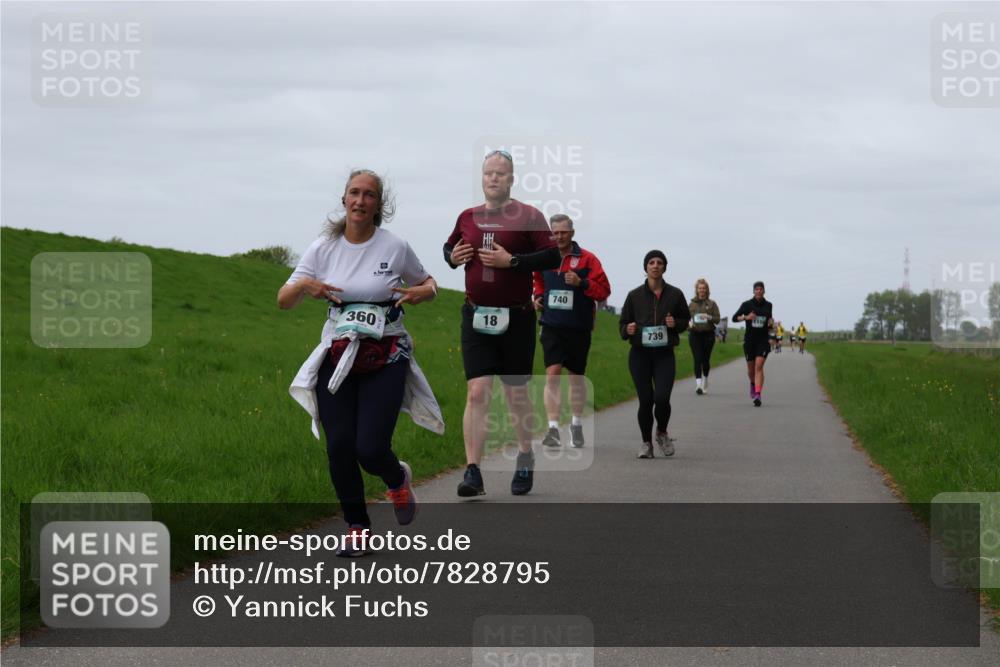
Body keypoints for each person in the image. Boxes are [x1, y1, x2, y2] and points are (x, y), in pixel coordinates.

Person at [282, 169, 443, 557]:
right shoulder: (323, 247)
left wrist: (423, 292)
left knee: (370, 448)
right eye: (354, 193)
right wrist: (306, 285)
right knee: (339, 446)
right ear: (343, 200)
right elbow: (283, 299)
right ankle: (358, 527)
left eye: (369, 195)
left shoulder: (395, 246)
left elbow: (430, 284)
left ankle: (396, 477)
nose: (360, 200)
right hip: (337, 355)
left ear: (378, 205)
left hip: (387, 354)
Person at [443, 150, 561, 496]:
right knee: (477, 391)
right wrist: (452, 257)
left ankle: (525, 456)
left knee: (516, 394)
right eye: (488, 173)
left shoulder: (529, 216)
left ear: (511, 179)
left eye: (500, 173)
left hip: (518, 317)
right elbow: (449, 248)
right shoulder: (467, 216)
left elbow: (552, 256)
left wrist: (514, 262)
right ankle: (473, 471)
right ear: (482, 178)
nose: (493, 178)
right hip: (476, 315)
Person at [532, 214, 611, 448]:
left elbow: (604, 290)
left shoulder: (588, 259)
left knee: (576, 378)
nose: (559, 237)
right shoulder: (544, 258)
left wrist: (582, 283)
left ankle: (576, 425)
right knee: (552, 373)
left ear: (572, 233)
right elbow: (538, 281)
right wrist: (537, 297)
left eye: (563, 232)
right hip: (551, 325)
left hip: (578, 326)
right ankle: (553, 429)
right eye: (554, 233)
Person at [619, 250, 691, 458]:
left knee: (661, 398)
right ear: (646, 267)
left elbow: (685, 320)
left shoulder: (675, 294)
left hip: (664, 355)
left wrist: (675, 323)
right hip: (640, 355)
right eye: (651, 262)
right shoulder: (634, 296)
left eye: (659, 262)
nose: (655, 265)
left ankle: (661, 432)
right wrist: (628, 330)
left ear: (664, 267)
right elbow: (623, 323)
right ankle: (646, 443)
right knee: (646, 400)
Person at [733, 281, 774, 407]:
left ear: (764, 291)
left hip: (763, 340)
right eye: (756, 289)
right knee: (751, 370)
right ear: (753, 291)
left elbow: (769, 321)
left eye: (761, 289)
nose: (759, 291)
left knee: (759, 366)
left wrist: (771, 324)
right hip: (750, 341)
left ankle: (758, 394)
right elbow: (734, 318)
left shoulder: (769, 305)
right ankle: (752, 383)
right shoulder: (746, 304)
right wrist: (746, 317)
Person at [687, 278, 720, 395]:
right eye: (700, 288)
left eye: (704, 288)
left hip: (708, 335)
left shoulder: (712, 304)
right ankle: (698, 385)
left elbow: (717, 319)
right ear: (696, 290)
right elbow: (687, 318)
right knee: (697, 359)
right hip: (695, 334)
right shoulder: (691, 304)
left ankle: (705, 379)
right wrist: (689, 324)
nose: (702, 290)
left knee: (705, 360)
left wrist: (709, 317)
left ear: (707, 290)